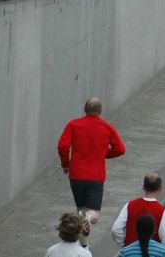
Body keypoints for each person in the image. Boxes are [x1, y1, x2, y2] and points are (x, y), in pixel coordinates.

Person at [57, 98, 126, 233]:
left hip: (76, 175)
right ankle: (86, 221)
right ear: (100, 111)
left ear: (85, 109)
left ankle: (82, 242)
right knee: (93, 214)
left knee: (81, 210)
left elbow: (63, 146)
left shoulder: (73, 125)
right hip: (95, 176)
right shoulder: (106, 127)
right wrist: (104, 153)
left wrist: (65, 164)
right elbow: (120, 149)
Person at [111, 173, 165, 249]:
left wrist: (126, 245)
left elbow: (116, 229)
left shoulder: (129, 205)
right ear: (160, 188)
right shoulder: (164, 212)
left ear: (143, 188)